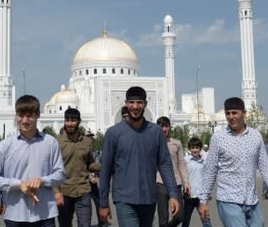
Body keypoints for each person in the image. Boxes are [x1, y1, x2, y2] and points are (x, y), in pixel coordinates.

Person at [199, 97, 268, 226]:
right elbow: (210, 171)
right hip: (228, 200)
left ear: (244, 113)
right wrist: (203, 200)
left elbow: (266, 168)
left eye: (234, 112)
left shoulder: (255, 136)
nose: (231, 117)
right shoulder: (218, 138)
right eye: (228, 113)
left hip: (252, 201)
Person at [99, 86, 179, 227]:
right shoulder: (114, 133)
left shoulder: (155, 132)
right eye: (131, 102)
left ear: (145, 104)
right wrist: (103, 203)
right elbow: (105, 170)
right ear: (126, 103)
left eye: (139, 103)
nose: (135, 107)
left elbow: (165, 164)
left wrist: (173, 194)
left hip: (148, 199)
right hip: (125, 200)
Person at [0, 95, 66, 227]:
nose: (25, 120)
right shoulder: (4, 146)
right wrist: (18, 184)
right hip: (16, 215)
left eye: (30, 116)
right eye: (21, 116)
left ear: (38, 115)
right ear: (16, 116)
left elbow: (61, 175)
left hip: (45, 214)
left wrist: (42, 180)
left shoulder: (50, 143)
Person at [54, 108, 99, 227]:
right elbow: (52, 169)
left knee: (85, 224)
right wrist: (56, 191)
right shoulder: (56, 143)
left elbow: (90, 164)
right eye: (67, 120)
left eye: (73, 120)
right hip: (64, 191)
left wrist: (104, 167)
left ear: (79, 121)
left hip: (83, 190)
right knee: (65, 224)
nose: (70, 123)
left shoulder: (87, 142)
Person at [155, 116, 189, 227]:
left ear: (169, 127)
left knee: (179, 216)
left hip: (176, 183)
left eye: (166, 126)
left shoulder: (176, 143)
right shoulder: (153, 143)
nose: (164, 129)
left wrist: (186, 182)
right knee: (163, 219)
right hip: (160, 183)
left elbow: (181, 164)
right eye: (161, 126)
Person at [183, 137, 212, 227]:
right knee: (186, 220)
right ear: (189, 148)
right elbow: (183, 175)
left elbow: (207, 178)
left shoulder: (204, 161)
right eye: (192, 148)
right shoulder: (186, 160)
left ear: (200, 149)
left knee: (205, 218)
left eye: (197, 148)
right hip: (189, 195)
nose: (195, 150)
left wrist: (208, 193)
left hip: (201, 196)